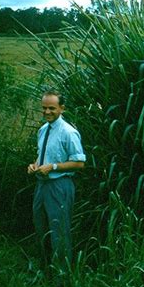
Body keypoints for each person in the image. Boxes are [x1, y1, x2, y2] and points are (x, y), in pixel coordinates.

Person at [27, 89, 85, 274]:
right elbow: (43, 156)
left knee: (59, 231)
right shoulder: (43, 130)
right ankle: (45, 272)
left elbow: (79, 163)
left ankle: (62, 278)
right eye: (44, 108)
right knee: (41, 228)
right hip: (41, 185)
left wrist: (52, 167)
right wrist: (35, 165)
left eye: (51, 108)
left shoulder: (69, 132)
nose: (47, 112)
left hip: (59, 186)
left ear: (62, 108)